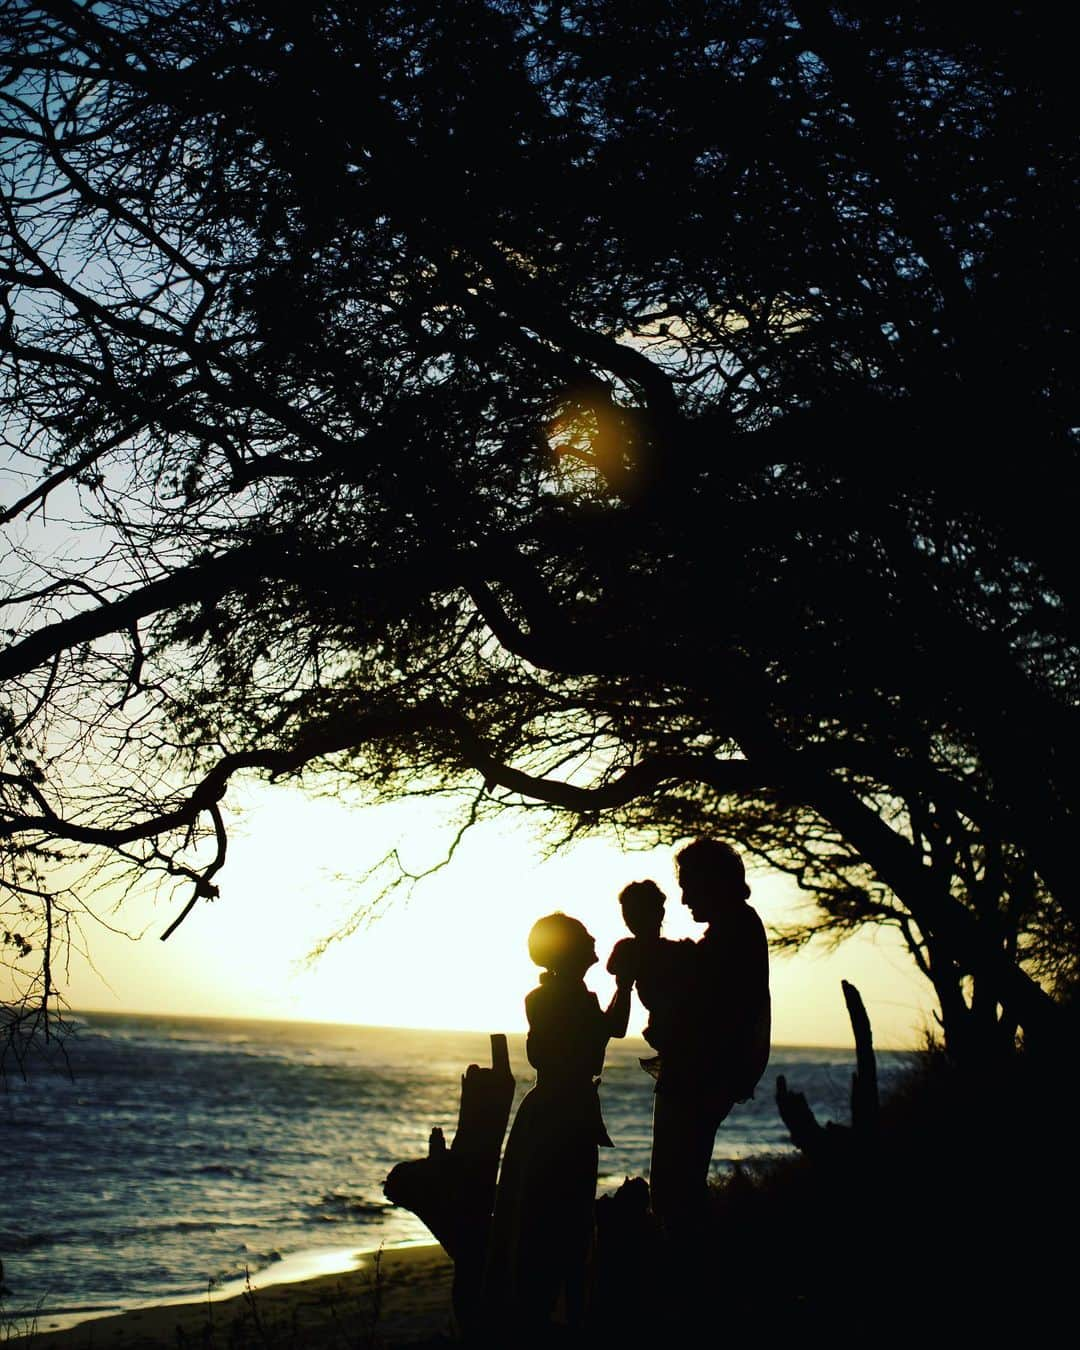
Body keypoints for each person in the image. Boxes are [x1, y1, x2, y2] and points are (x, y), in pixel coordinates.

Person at [485, 912, 632, 1335]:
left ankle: (548, 1307)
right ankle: (550, 1310)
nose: (593, 940)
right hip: (562, 1109)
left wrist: (624, 984)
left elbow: (610, 1030)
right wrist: (624, 983)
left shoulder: (561, 995)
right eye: (585, 937)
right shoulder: (560, 998)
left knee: (548, 1211)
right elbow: (610, 1031)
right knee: (555, 1212)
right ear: (568, 950)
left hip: (558, 1107)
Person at [642, 838, 771, 1234]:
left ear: (711, 882)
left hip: (701, 1076)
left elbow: (703, 991)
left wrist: (647, 950)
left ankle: (689, 1276)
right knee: (679, 1185)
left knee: (673, 1189)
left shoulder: (735, 930)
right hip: (707, 1074)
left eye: (688, 886)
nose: (683, 900)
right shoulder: (735, 928)